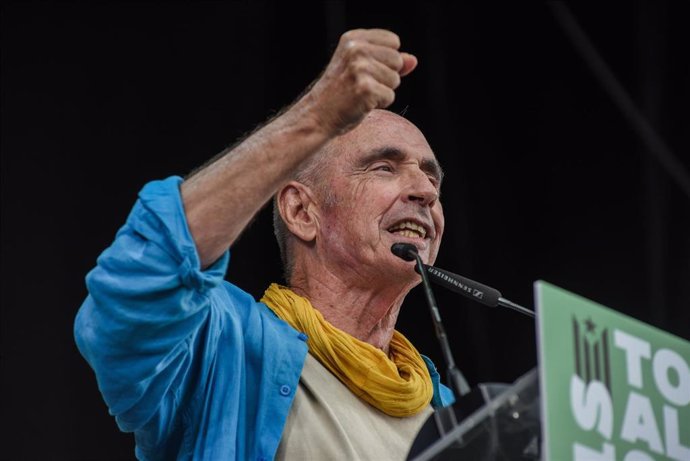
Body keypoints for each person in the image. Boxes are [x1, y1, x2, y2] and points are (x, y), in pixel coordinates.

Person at [75, 28, 455, 460]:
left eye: (431, 177)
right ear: (301, 212)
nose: (424, 191)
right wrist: (317, 115)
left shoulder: (449, 411)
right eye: (384, 167)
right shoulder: (226, 351)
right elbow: (121, 309)